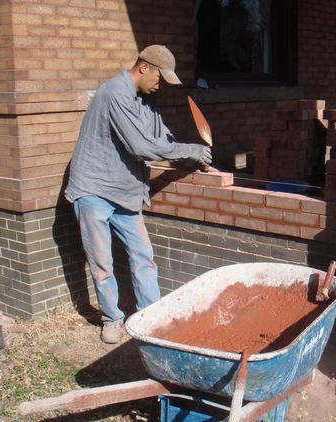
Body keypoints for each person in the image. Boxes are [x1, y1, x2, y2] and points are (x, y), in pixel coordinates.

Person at [65, 45, 211, 344]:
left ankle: (151, 316)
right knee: (102, 262)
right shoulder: (115, 93)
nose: (161, 85)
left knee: (144, 256)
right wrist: (188, 150)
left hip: (125, 191)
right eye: (160, 78)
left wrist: (189, 156)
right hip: (94, 189)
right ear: (144, 67)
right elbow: (142, 147)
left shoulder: (146, 99)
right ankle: (112, 319)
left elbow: (160, 138)